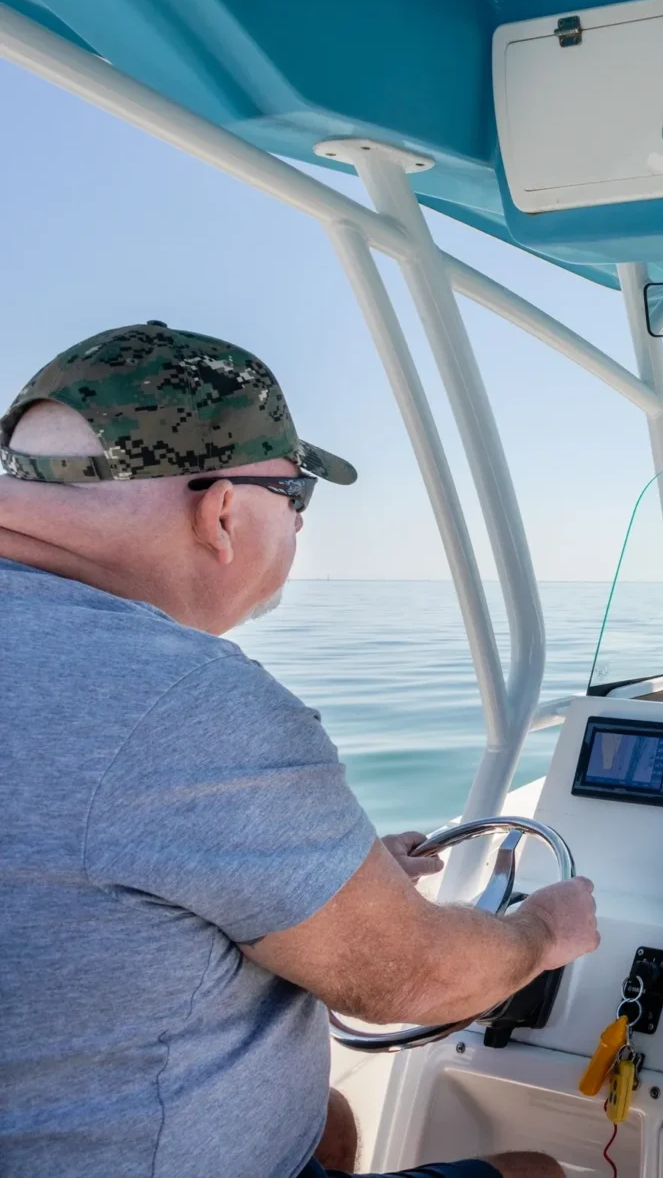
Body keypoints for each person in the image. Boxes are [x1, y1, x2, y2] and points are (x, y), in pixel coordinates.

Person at [0, 324, 600, 1178]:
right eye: (296, 498)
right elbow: (411, 982)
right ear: (220, 511)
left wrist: (341, 877)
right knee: (543, 1171)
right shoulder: (185, 701)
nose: (298, 526)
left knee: (329, 1122)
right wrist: (544, 931)